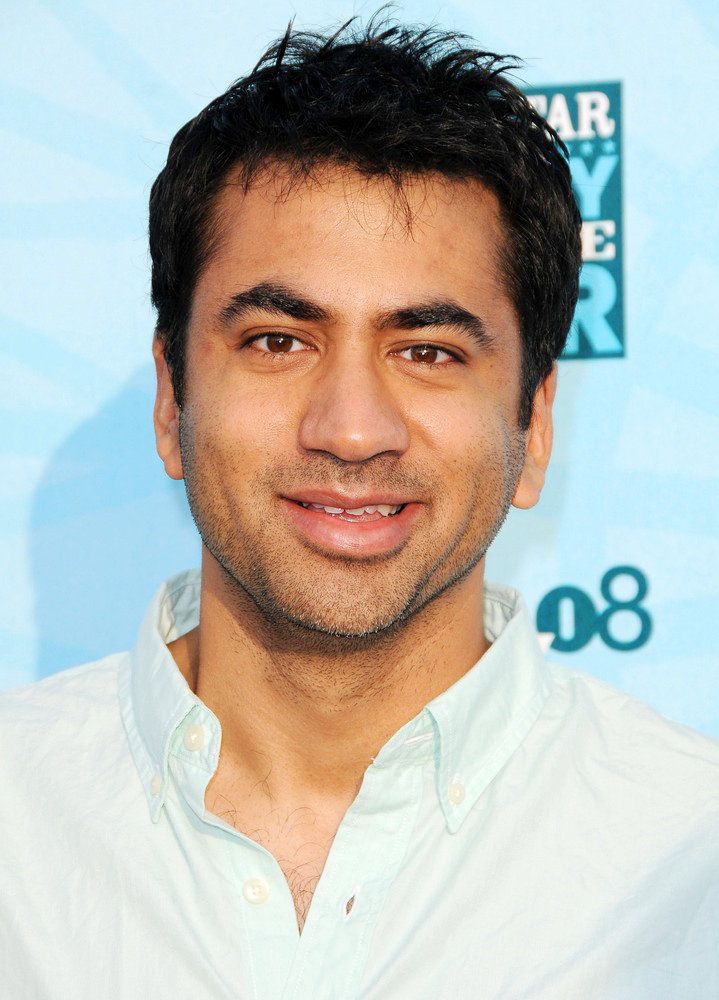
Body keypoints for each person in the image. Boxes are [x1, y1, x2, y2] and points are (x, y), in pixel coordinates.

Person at [2, 12, 717, 999]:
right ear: (171, 400)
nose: (349, 430)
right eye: (277, 341)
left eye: (426, 351)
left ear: (534, 424)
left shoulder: (689, 858)